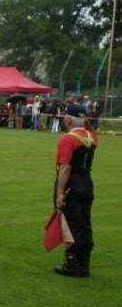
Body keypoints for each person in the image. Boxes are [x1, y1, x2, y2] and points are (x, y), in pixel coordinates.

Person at [53, 105, 97, 277]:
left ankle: (73, 263)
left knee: (70, 223)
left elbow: (65, 168)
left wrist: (60, 193)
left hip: (72, 183)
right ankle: (84, 261)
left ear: (69, 119)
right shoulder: (91, 136)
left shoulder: (68, 139)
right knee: (84, 222)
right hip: (87, 182)